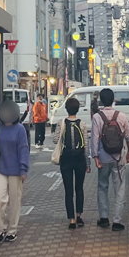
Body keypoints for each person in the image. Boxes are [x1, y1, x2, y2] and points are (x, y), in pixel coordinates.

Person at [0, 99, 30, 242]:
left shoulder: (20, 129)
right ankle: (0, 229)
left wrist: (23, 169)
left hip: (16, 170)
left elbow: (23, 149)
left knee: (15, 201)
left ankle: (12, 230)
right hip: (0, 168)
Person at [92, 87, 129, 231]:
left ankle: (104, 218)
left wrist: (95, 157)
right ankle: (117, 221)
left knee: (102, 187)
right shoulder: (121, 116)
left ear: (102, 101)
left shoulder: (97, 117)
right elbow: (128, 136)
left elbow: (95, 138)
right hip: (118, 158)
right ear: (113, 99)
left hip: (103, 158)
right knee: (120, 188)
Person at [52, 97, 88, 229]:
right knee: (79, 188)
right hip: (80, 159)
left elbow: (56, 140)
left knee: (68, 190)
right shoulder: (82, 124)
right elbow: (86, 144)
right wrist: (88, 163)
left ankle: (71, 219)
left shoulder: (61, 123)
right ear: (77, 109)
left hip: (66, 159)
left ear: (66, 109)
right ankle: (79, 216)